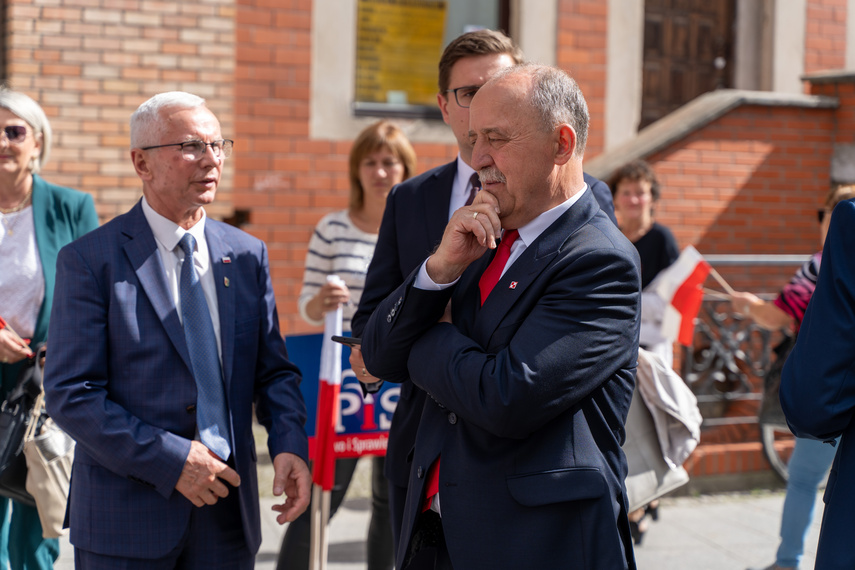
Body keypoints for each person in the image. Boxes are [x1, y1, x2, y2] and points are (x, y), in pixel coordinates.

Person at [360, 63, 640, 569]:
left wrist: (426, 335)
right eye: (472, 139)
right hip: (435, 536)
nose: (477, 158)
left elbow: (505, 397)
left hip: (536, 545)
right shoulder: (480, 232)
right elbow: (377, 353)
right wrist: (438, 270)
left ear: (561, 143)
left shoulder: (599, 259)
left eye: (496, 138)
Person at [43, 91, 311, 568]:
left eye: (218, 144)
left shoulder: (247, 254)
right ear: (141, 163)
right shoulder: (89, 261)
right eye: (191, 146)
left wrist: (290, 444)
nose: (211, 159)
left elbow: (273, 373)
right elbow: (71, 394)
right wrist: (173, 461)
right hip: (126, 521)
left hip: (227, 520)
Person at [277, 119, 416, 570]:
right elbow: (305, 308)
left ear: (404, 169)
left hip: (400, 376)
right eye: (370, 163)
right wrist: (320, 301)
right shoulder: (332, 228)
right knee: (325, 492)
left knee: (390, 500)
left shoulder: (419, 230)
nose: (379, 172)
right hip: (342, 378)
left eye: (389, 162)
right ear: (357, 170)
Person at [0, 88, 98, 570]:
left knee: (36, 513)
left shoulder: (71, 207)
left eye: (13, 131)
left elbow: (91, 297)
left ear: (37, 142)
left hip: (40, 384)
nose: (2, 141)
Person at [740, 185, 855, 570]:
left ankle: (787, 561)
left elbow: (778, 315)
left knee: (805, 479)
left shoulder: (822, 263)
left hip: (831, 389)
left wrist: (750, 306)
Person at [611, 159, 680, 543]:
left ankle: (645, 501)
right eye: (627, 192)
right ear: (616, 198)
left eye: (642, 192)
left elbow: (673, 306)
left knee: (650, 426)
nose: (635, 199)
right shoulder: (608, 234)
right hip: (614, 347)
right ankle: (635, 501)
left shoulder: (663, 240)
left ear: (652, 198)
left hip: (652, 351)